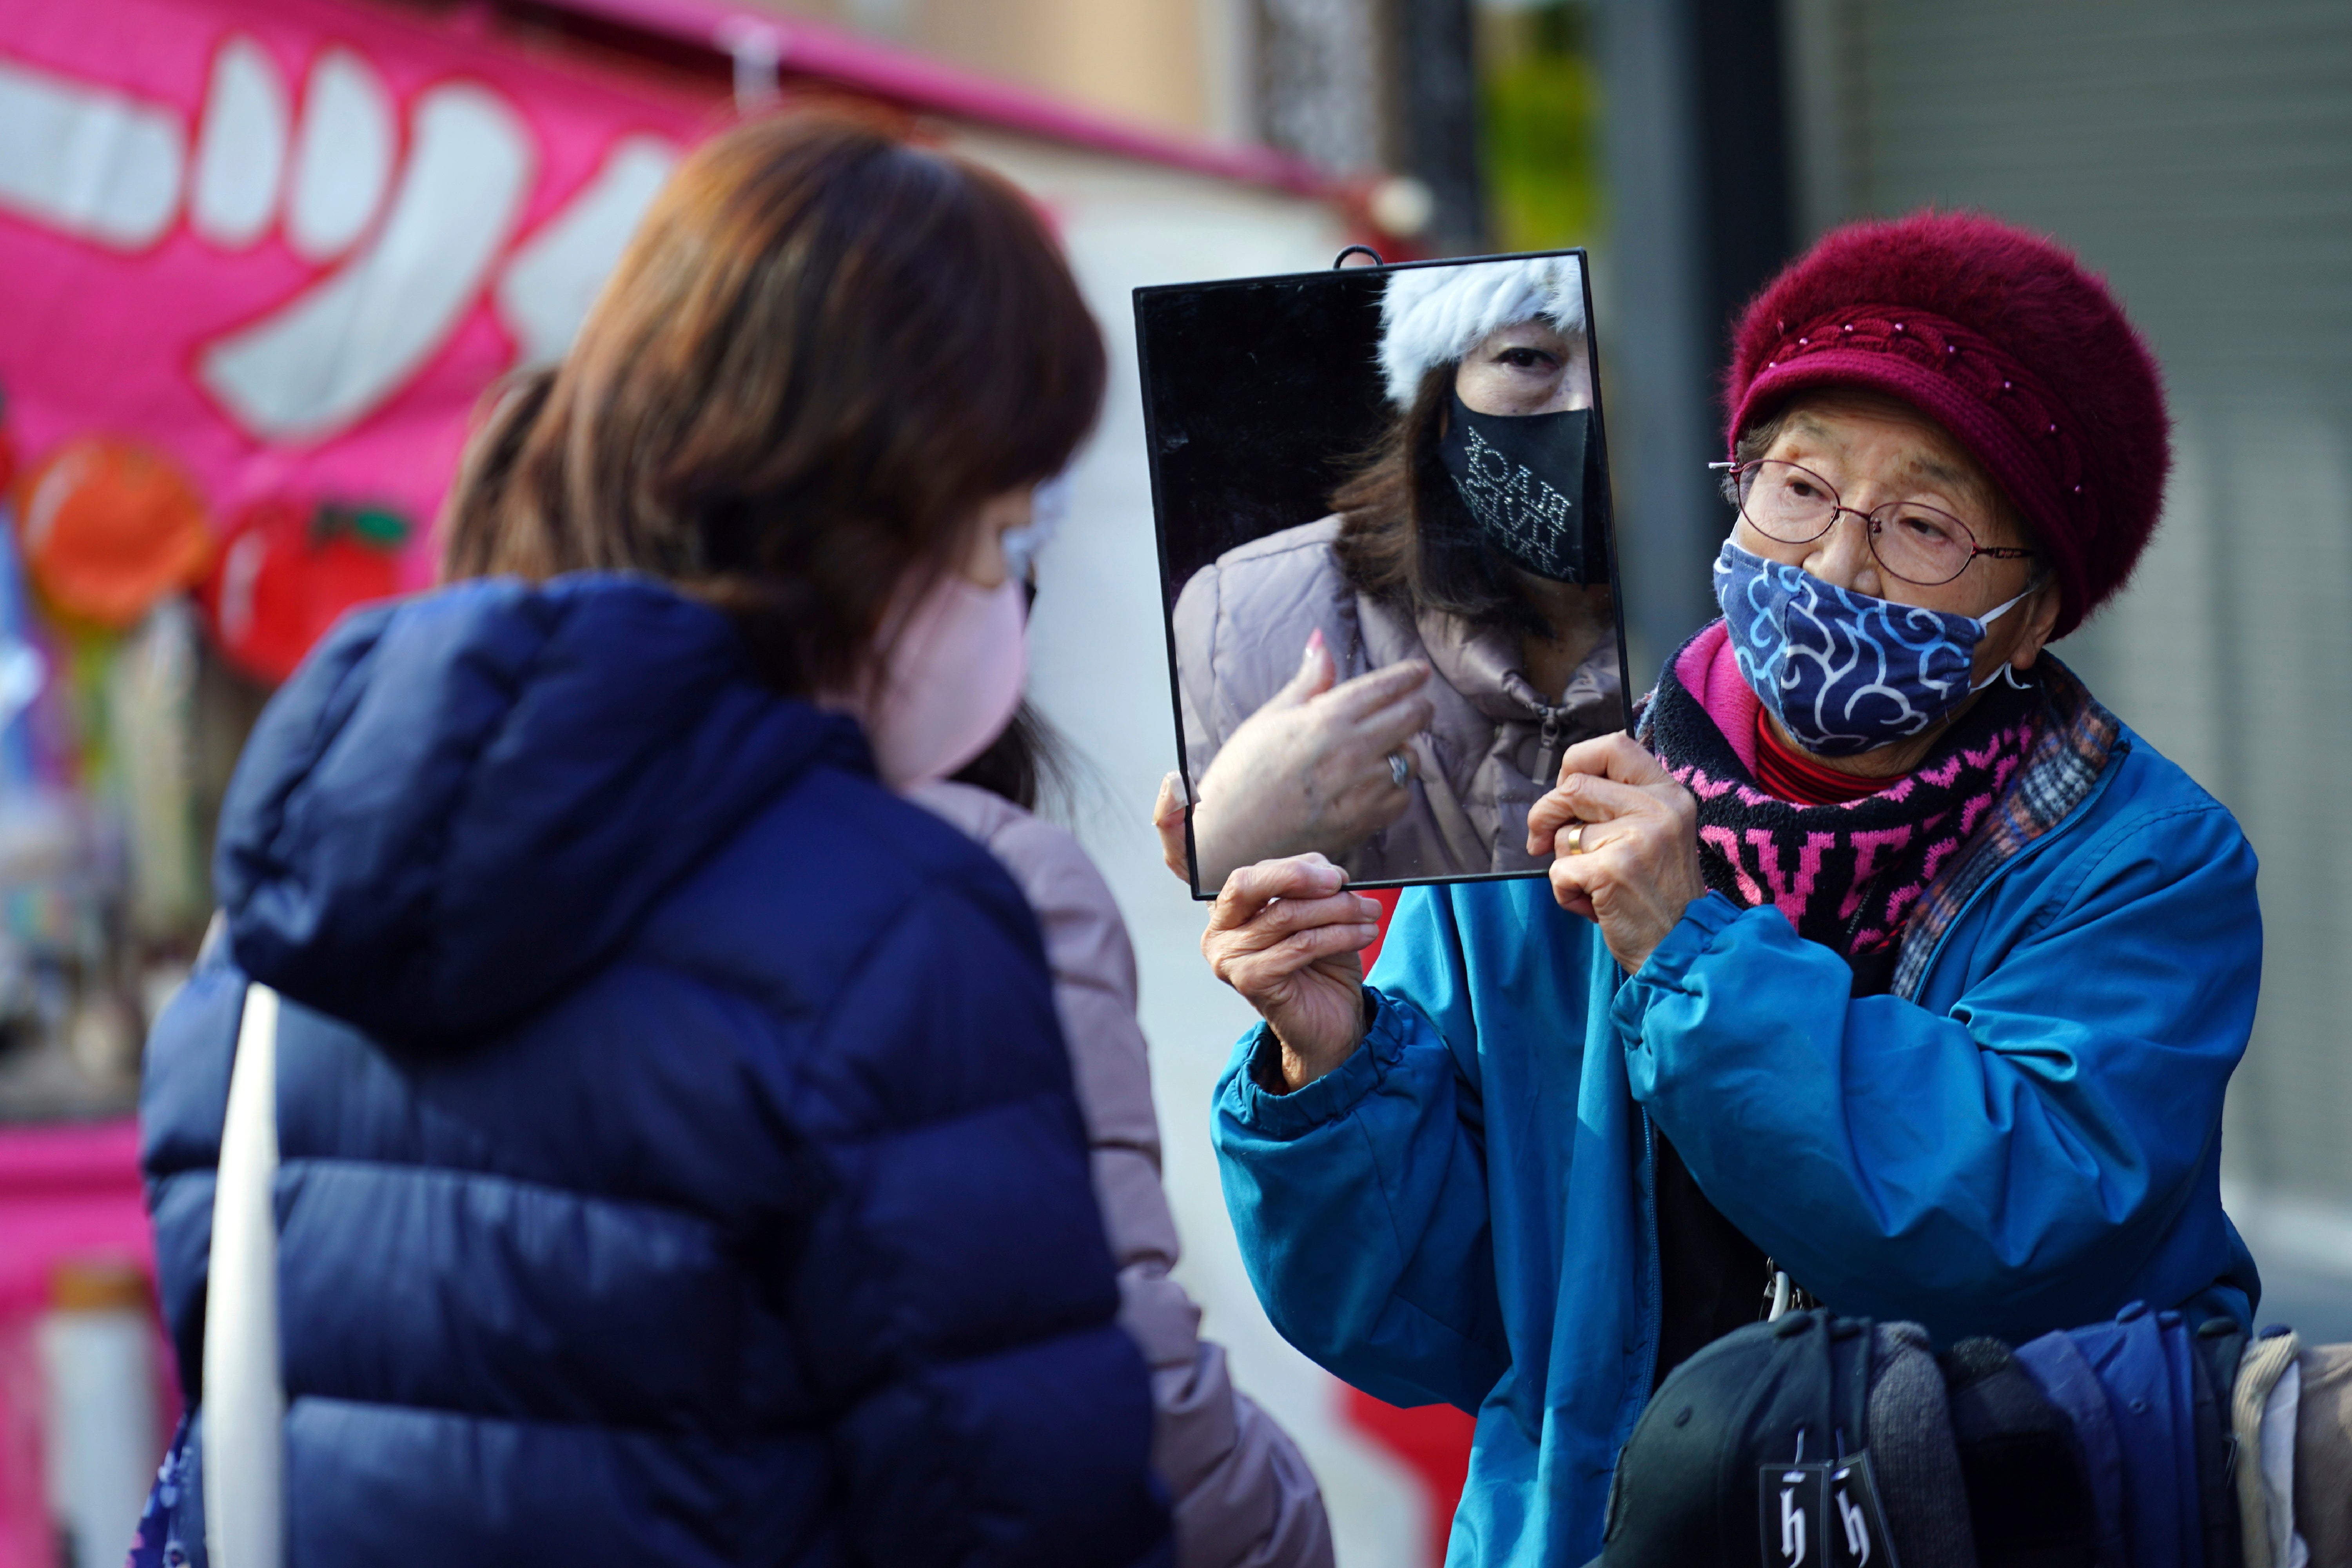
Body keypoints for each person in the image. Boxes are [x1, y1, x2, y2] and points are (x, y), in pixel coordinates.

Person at [134, 113, 1169, 1566]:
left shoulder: (267, 941)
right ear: (872, 513)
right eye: (1002, 532)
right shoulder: (899, 925)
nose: (1009, 590)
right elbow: (1026, 1512)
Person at [1200, 212, 2262, 1563]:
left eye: (1923, 525)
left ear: (2035, 612)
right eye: (1799, 487)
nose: (1831, 563)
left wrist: (1689, 951)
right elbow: (1437, 1321)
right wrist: (1331, 1059)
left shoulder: (2143, 864)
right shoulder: (1548, 803)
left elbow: (2017, 1229)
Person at [916, 708, 1336, 1568]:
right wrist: (1284, 1524)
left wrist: (1331, 1057)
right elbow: (1121, 1371)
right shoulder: (997, 878)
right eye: (1002, 570)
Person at [1158, 254, 1623, 889]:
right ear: (1438, 404)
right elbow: (1244, 943)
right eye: (1527, 357)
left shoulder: (1750, 628)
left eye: (1627, 361)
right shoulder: (1246, 621)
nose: (1587, 407)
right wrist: (1227, 845)